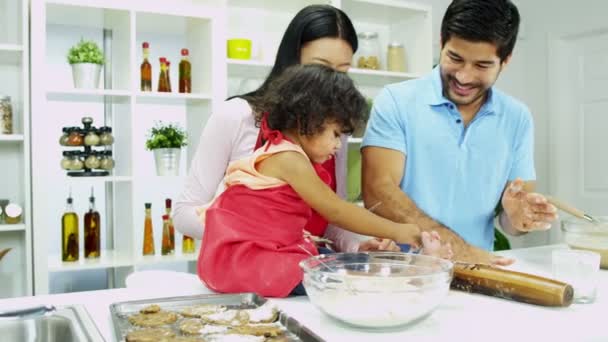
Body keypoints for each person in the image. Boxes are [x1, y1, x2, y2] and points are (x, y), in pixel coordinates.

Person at [197, 64, 452, 298]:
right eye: (335, 134)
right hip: (250, 262)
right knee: (334, 278)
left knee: (335, 260)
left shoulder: (280, 152)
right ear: (305, 120)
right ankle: (412, 277)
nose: (338, 146)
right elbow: (336, 210)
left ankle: (404, 270)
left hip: (261, 254)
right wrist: (397, 230)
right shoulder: (288, 158)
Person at [175, 4, 399, 253]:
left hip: (307, 273)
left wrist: (358, 246)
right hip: (249, 275)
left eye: (342, 72)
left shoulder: (332, 133)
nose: (332, 82)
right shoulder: (237, 115)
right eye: (319, 67)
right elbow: (185, 213)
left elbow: (330, 216)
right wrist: (265, 235)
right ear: (291, 60)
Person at [360, 0, 558, 265]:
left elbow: (512, 221)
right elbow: (378, 192)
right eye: (455, 58)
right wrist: (463, 251)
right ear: (442, 42)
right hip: (401, 270)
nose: (464, 77)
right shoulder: (396, 101)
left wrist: (518, 217)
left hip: (478, 271)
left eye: (482, 65)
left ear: (505, 61)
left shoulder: (517, 117)